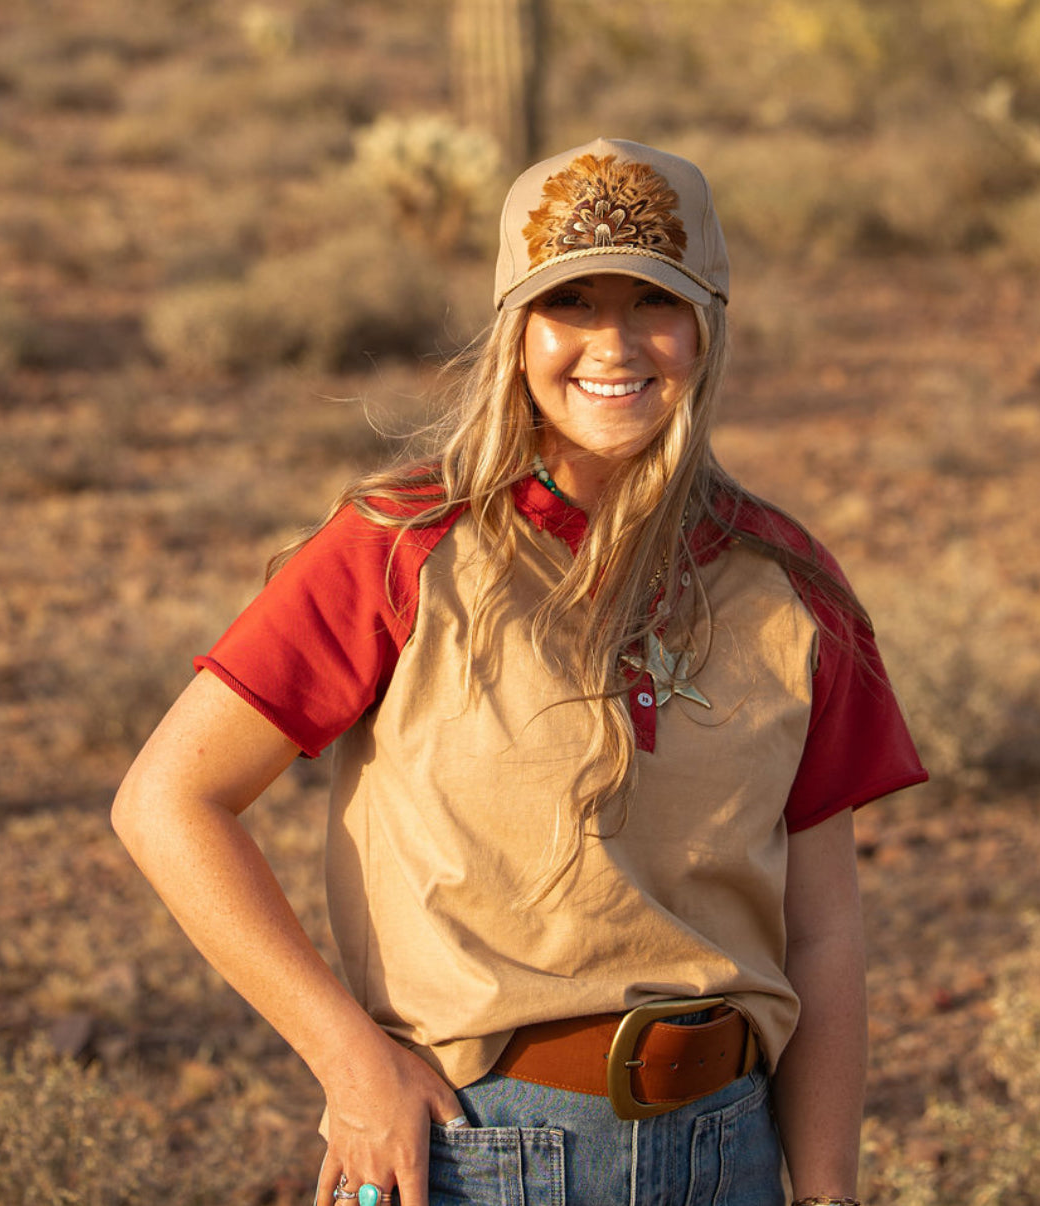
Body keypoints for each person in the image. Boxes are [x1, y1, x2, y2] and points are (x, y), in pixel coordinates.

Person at [112, 137, 928, 1206]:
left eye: (653, 303)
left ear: (707, 325)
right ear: (517, 330)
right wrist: (348, 1061)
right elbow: (168, 802)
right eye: (572, 303)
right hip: (474, 1152)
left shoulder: (791, 581)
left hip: (729, 1151)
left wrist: (825, 1194)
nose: (613, 343)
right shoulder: (400, 546)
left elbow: (823, 933)